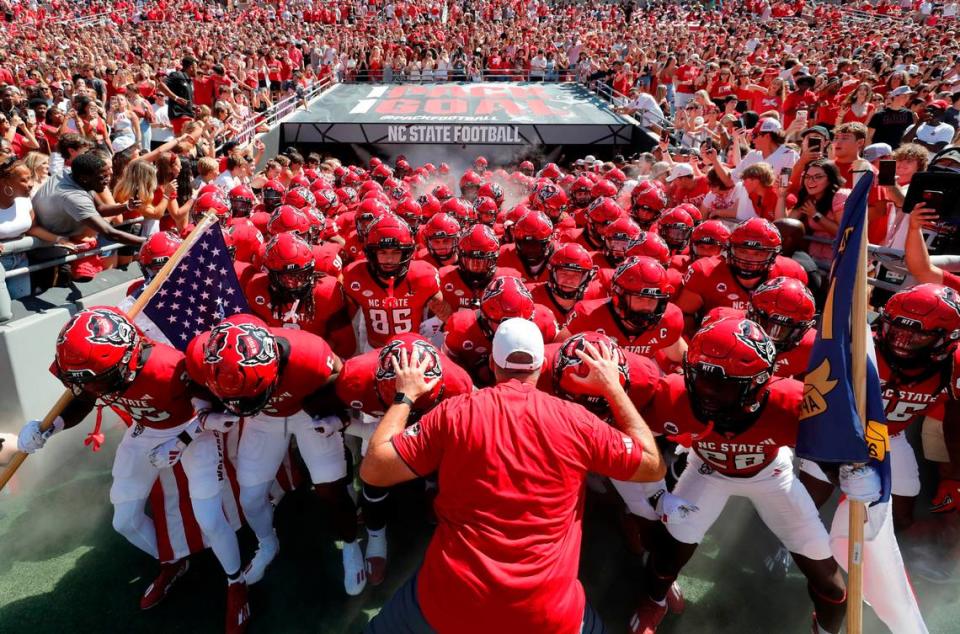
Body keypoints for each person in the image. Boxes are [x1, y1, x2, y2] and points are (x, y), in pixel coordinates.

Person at [360, 318, 666, 633]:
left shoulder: (456, 412)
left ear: (492, 363)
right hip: (546, 613)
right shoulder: (579, 422)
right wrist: (613, 388)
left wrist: (404, 397)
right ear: (541, 367)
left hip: (452, 602)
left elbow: (374, 469)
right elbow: (652, 464)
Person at [17, 308, 249, 633]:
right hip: (146, 429)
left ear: (128, 358)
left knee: (209, 517)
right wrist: (48, 427)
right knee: (124, 519)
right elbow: (82, 397)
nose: (96, 387)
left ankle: (236, 583)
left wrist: (182, 440)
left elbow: (219, 408)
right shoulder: (94, 370)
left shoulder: (170, 367)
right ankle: (172, 561)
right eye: (87, 379)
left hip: (191, 428)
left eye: (101, 378)